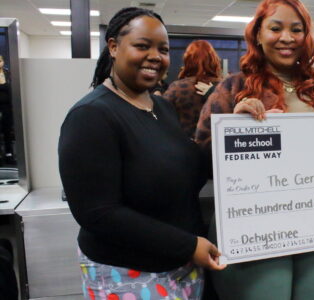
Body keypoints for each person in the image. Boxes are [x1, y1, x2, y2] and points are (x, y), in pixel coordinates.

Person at [58, 7, 225, 300]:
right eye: (142, 45)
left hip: (181, 268)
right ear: (113, 46)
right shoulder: (92, 116)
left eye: (163, 49)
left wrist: (240, 126)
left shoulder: (161, 107)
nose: (155, 56)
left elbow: (189, 171)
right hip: (128, 274)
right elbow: (98, 214)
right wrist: (187, 245)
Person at [194, 0, 314, 299]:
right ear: (257, 34)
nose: (287, 38)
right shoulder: (233, 88)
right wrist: (233, 129)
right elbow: (199, 162)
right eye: (275, 28)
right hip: (257, 225)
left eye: (297, 29)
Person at [163, 40, 222, 138]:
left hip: (184, 148)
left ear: (187, 60)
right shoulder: (223, 87)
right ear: (214, 60)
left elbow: (162, 118)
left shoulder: (177, 88)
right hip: (214, 147)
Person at [0, 54, 15, 165]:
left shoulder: (7, 73)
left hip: (7, 107)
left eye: (0, 60)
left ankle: (9, 153)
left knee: (7, 131)